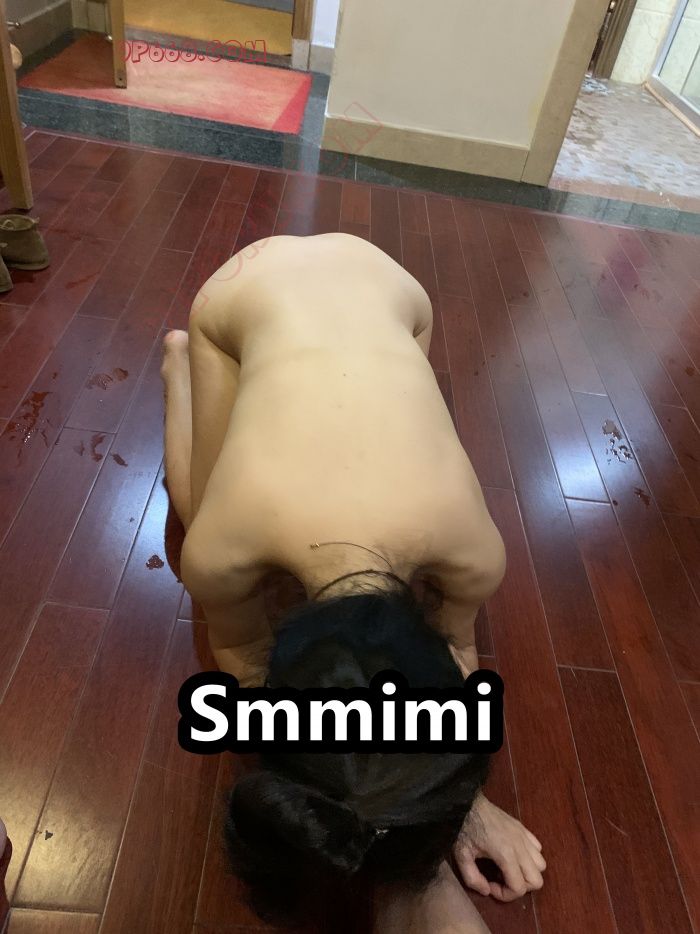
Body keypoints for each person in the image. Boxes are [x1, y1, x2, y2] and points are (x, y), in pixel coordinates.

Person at [161, 232, 545, 932]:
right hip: (244, 294)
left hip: (397, 295)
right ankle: (177, 363)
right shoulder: (225, 547)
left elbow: (456, 653)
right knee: (195, 505)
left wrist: (456, 799)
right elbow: (243, 658)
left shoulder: (472, 551)